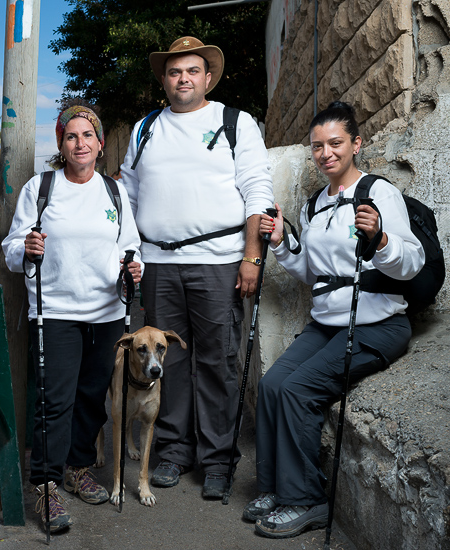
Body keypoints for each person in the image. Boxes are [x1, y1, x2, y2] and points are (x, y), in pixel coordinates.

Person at [245, 101, 425, 538]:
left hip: (377, 325)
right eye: (318, 146)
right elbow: (311, 271)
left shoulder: (378, 193)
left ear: (355, 144)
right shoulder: (314, 206)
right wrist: (283, 242)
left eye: (335, 143)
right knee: (272, 386)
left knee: (298, 391)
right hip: (328, 323)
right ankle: (274, 487)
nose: (325, 153)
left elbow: (413, 262)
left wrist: (381, 238)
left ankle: (306, 500)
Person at [119, 36, 273, 498]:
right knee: (166, 362)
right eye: (173, 72)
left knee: (217, 362)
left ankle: (217, 460)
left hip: (218, 262)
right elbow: (125, 195)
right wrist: (130, 252)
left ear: (207, 77)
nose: (182, 79)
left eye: (191, 71)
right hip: (159, 263)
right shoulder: (145, 129)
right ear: (164, 80)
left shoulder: (234, 122)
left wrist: (251, 256)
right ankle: (171, 452)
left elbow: (257, 189)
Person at [3, 105, 143, 533]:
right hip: (56, 313)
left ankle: (78, 468)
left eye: (88, 136)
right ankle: (46, 485)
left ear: (100, 145)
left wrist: (134, 270)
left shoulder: (115, 194)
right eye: (71, 137)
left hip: (106, 315)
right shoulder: (41, 189)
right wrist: (25, 248)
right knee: (55, 401)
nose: (79, 143)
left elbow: (131, 248)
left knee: (90, 399)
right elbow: (11, 248)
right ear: (61, 146)